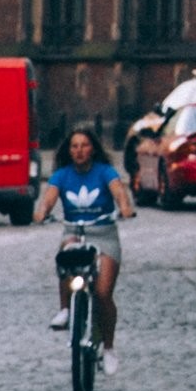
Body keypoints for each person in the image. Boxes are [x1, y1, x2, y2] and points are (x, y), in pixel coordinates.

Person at [48, 121, 128, 352]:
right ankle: (65, 309)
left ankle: (109, 347)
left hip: (103, 232)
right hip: (74, 230)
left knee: (103, 294)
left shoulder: (105, 172)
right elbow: (49, 199)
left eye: (84, 145)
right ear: (68, 150)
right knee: (66, 253)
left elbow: (119, 192)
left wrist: (124, 208)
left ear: (93, 148)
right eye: (74, 146)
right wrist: (42, 212)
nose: (79, 151)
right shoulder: (61, 175)